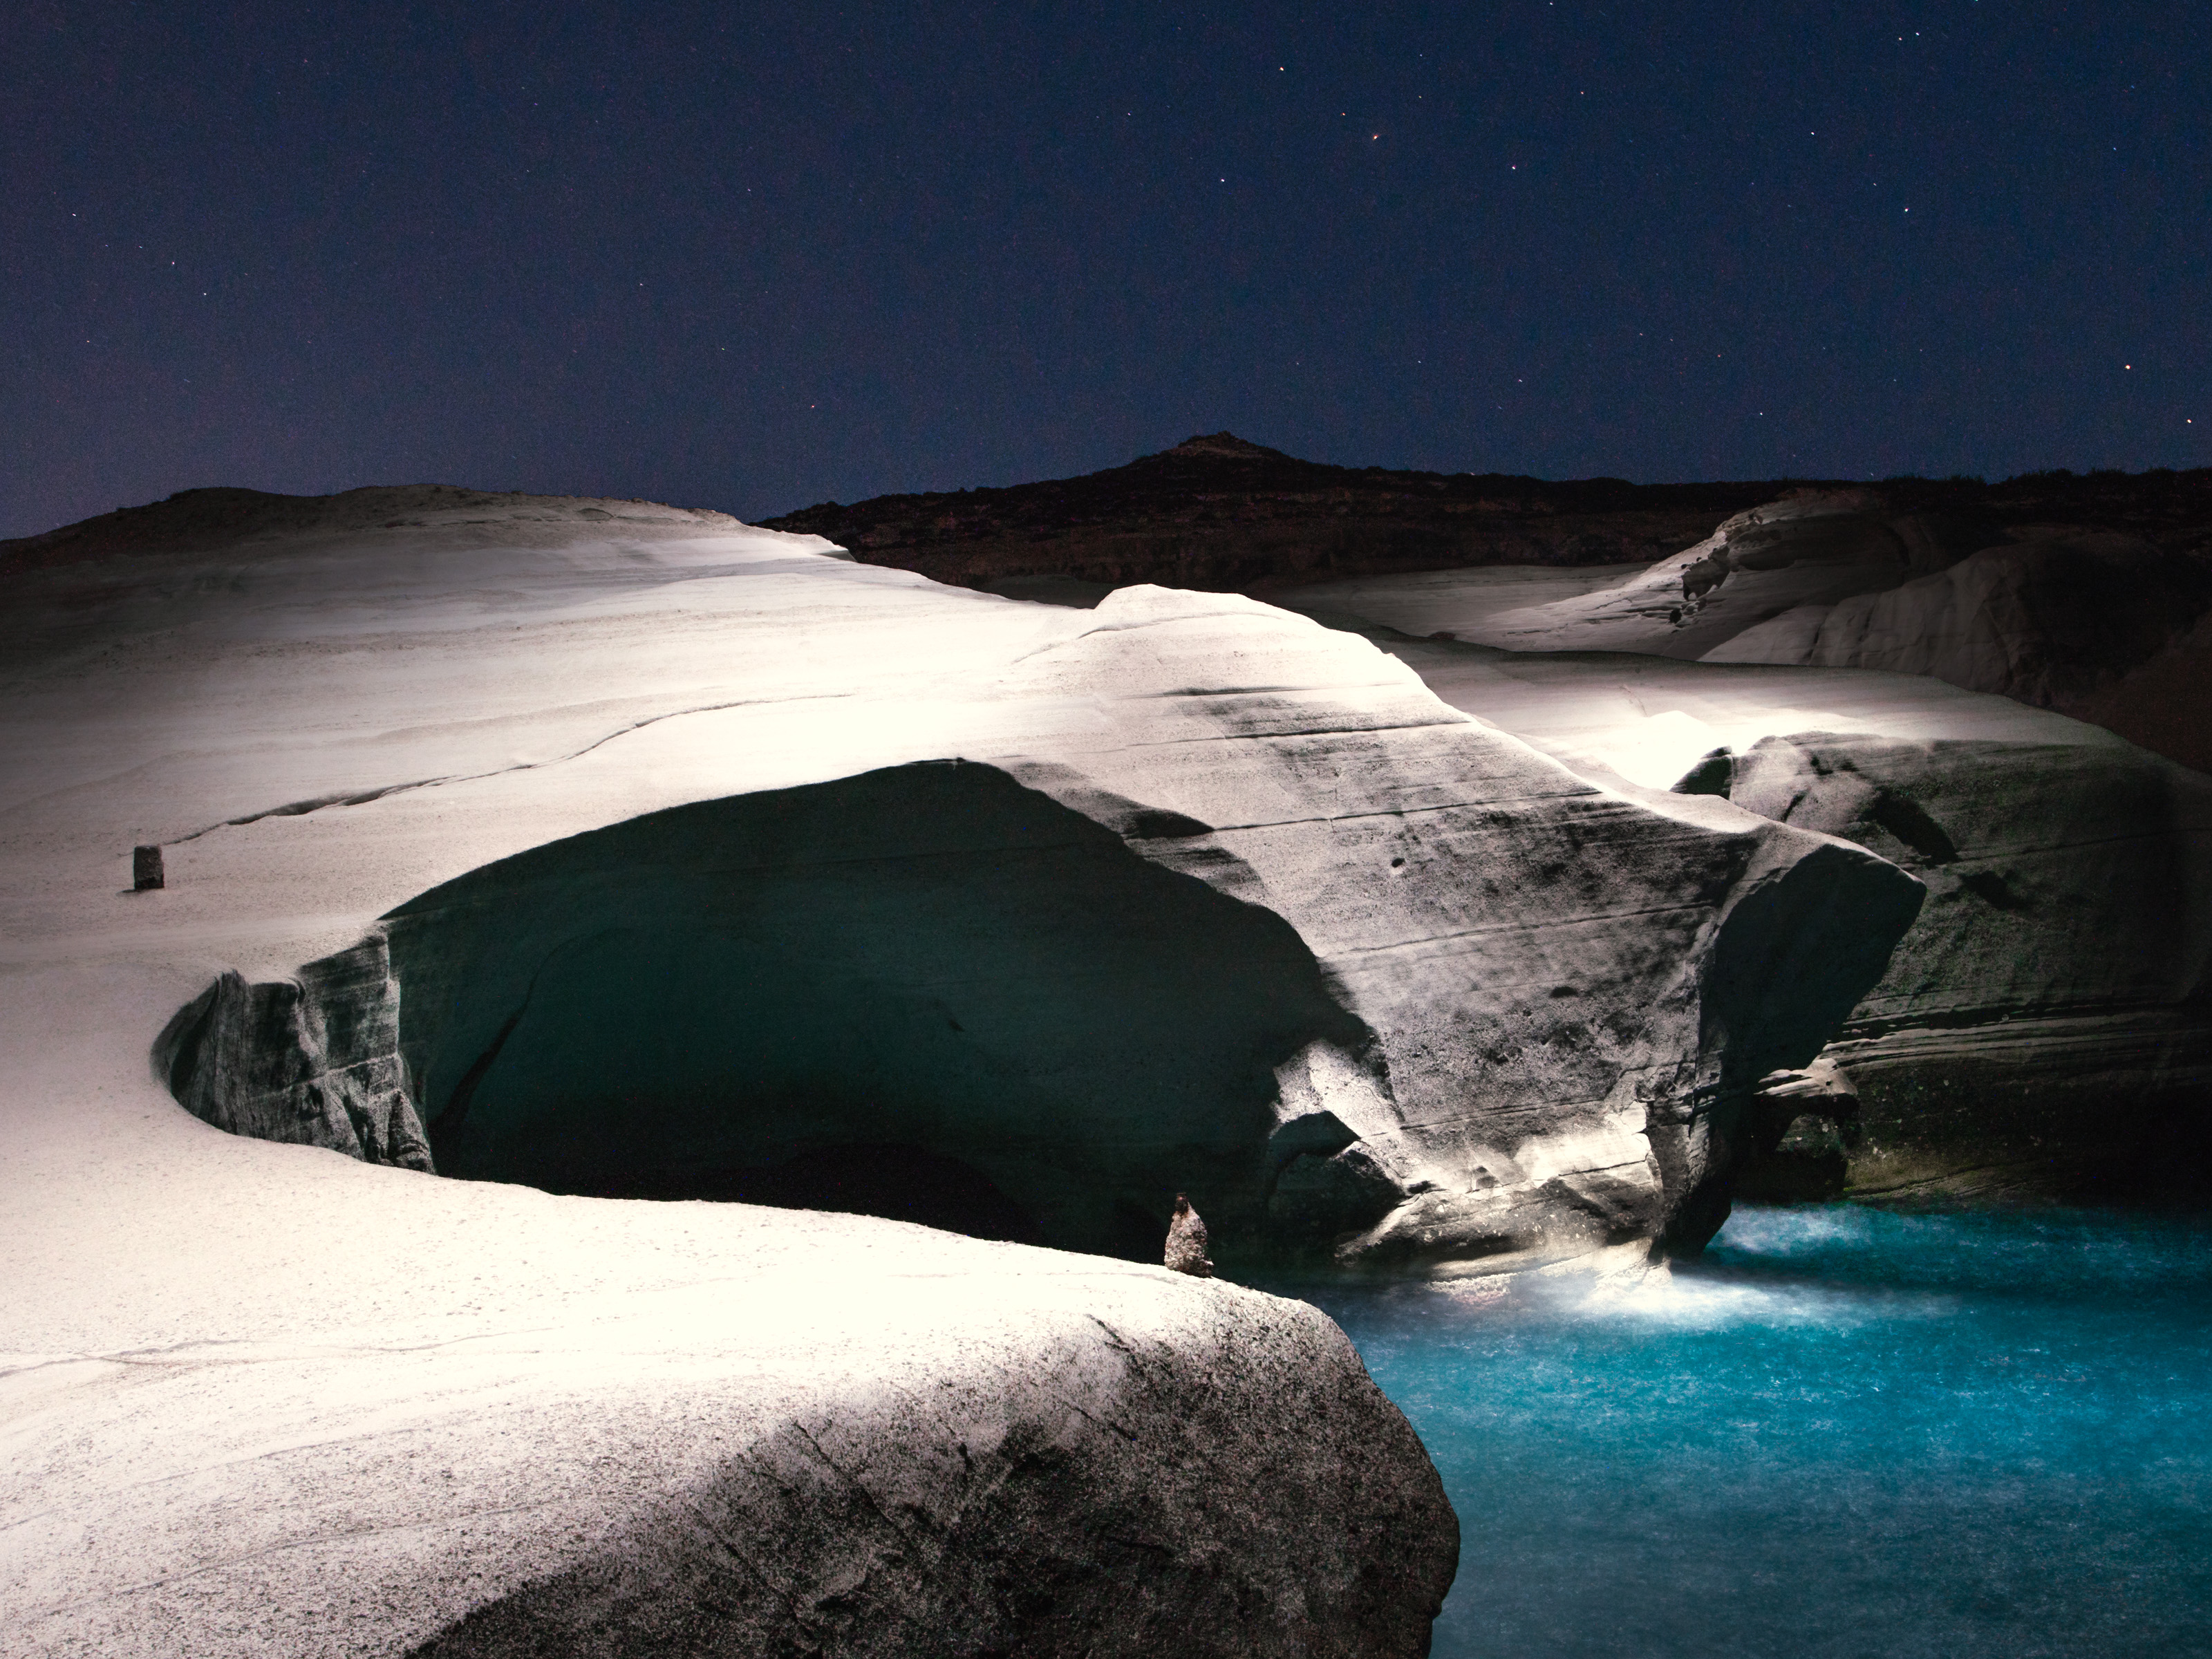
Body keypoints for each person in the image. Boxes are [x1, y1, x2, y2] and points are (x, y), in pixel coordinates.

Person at [1164, 1192, 1213, 1277]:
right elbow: (1172, 1240)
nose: (1178, 1205)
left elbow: (1196, 1244)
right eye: (1177, 1202)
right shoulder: (1177, 1220)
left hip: (1189, 1262)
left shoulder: (1193, 1220)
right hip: (1176, 1262)